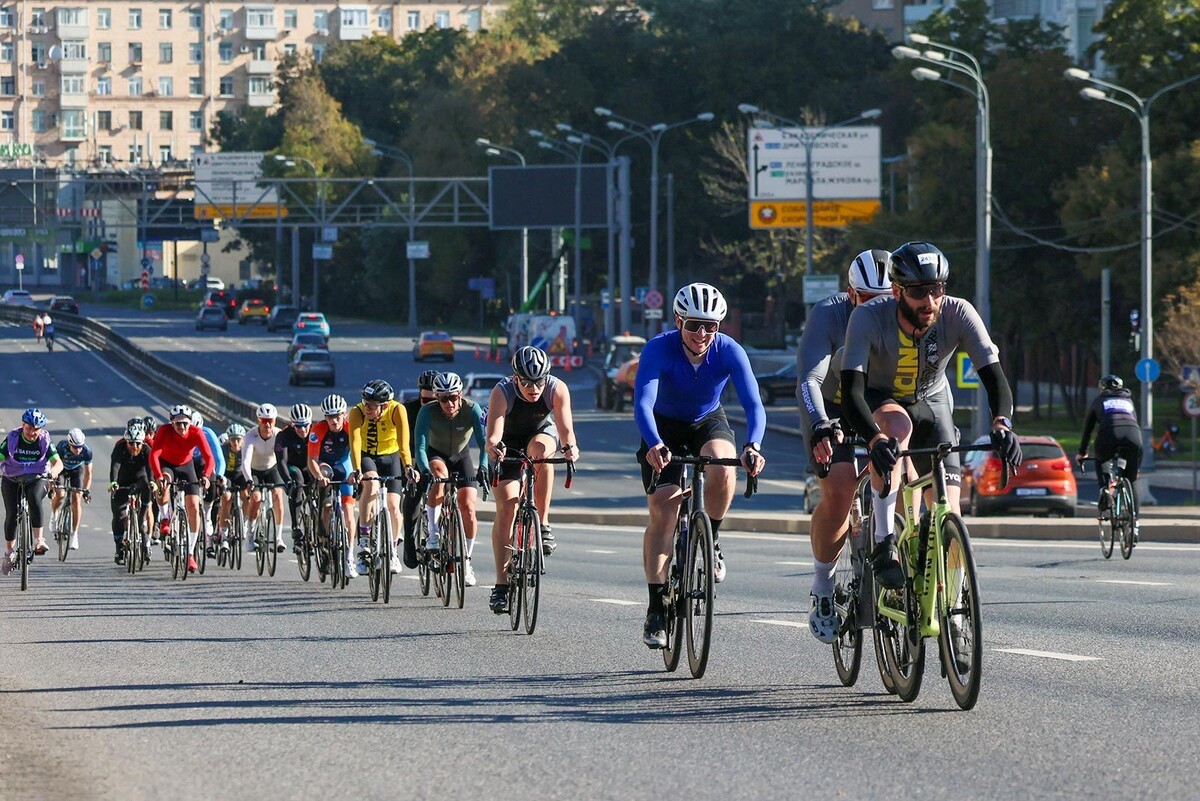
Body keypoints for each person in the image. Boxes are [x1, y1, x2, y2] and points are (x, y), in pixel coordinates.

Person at [839, 242, 1022, 591]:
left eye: (937, 289)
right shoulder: (868, 316)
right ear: (896, 291)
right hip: (882, 397)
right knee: (896, 428)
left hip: (932, 399)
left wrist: (1002, 423)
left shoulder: (959, 313)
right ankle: (884, 541)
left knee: (950, 512)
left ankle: (953, 612)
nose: (930, 301)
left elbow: (994, 378)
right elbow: (851, 392)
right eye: (919, 292)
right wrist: (874, 438)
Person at [633, 283, 767, 649]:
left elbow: (754, 405)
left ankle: (714, 536)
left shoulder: (729, 351)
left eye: (711, 326)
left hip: (707, 420)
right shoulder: (658, 348)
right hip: (662, 427)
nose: (703, 334)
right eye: (694, 325)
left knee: (724, 467)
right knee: (664, 511)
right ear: (678, 321)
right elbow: (643, 404)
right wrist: (655, 443)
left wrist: (753, 445)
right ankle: (656, 607)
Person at [796, 249, 893, 643]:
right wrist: (820, 425)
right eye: (869, 301)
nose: (880, 308)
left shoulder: (906, 318)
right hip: (833, 406)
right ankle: (823, 583)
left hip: (882, 400)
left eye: (888, 299)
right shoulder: (828, 314)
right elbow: (809, 380)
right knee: (837, 489)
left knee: (905, 475)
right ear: (851, 295)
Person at [485, 347, 579, 614]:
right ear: (515, 378)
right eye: (526, 382)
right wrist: (494, 448)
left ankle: (543, 521)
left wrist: (571, 447)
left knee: (541, 453)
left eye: (539, 381)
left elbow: (566, 430)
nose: (533, 388)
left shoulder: (557, 388)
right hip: (509, 442)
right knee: (507, 506)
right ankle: (501, 585)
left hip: (541, 434)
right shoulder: (502, 391)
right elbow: (493, 435)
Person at [413, 372, 489, 590]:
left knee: (469, 508)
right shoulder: (427, 411)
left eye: (453, 397)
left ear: (460, 394)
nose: (449, 403)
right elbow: (420, 446)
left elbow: (484, 444)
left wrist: (483, 467)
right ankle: (435, 533)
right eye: (443, 398)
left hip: (461, 455)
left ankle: (466, 561)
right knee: (438, 476)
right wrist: (425, 469)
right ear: (437, 398)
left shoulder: (472, 409)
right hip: (436, 454)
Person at [349, 380, 416, 576]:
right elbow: (354, 443)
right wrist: (357, 469)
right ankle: (363, 543)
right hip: (367, 455)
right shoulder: (357, 412)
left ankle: (393, 550)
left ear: (384, 405)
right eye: (365, 401)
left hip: (391, 455)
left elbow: (404, 444)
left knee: (394, 506)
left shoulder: (397, 410)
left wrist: (408, 467)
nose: (366, 407)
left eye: (371, 405)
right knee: (371, 486)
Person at [148, 404, 216, 574]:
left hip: (186, 466)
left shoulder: (196, 432)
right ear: (172, 423)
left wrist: (206, 477)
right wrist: (158, 476)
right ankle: (165, 518)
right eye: (178, 424)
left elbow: (209, 457)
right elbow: (154, 454)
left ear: (190, 423)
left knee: (193, 505)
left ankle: (190, 554)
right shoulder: (164, 431)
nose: (182, 427)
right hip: (167, 464)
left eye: (185, 423)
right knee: (164, 483)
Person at [1076, 374, 1143, 537]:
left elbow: (1087, 430)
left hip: (1108, 434)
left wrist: (1082, 453)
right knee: (1132, 479)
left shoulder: (1099, 401)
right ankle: (1134, 525)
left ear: (1102, 388)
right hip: (1133, 435)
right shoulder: (1129, 401)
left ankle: (1105, 489)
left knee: (1102, 459)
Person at [1, 409, 64, 573]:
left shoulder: (44, 439)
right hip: (12, 477)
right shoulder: (12, 437)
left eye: (36, 429)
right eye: (29, 428)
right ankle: (9, 553)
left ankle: (38, 540)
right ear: (23, 426)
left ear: (41, 429)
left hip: (37, 477)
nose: (32, 432)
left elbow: (58, 463)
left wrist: (53, 472)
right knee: (11, 514)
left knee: (35, 497)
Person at [307, 394, 358, 578]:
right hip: (325, 465)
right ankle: (325, 536)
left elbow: (358, 453)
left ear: (344, 414)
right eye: (330, 417)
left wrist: (356, 472)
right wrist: (319, 476)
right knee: (327, 506)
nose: (334, 421)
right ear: (325, 418)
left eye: (338, 416)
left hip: (344, 464)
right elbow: (311, 459)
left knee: (348, 509)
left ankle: (349, 556)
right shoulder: (318, 429)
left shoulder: (350, 427)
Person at [401, 371, 440, 569]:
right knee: (413, 492)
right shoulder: (409, 409)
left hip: (437, 455)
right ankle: (409, 540)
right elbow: (403, 441)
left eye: (434, 399)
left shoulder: (445, 407)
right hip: (414, 453)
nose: (430, 403)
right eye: (425, 399)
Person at [241, 403, 287, 554]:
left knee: (278, 495)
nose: (267, 424)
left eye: (270, 421)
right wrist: (249, 480)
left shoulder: (278, 435)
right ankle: (250, 534)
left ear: (275, 421)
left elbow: (282, 459)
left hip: (271, 468)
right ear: (258, 421)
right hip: (254, 470)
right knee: (255, 497)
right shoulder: (250, 436)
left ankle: (278, 537)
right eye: (263, 421)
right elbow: (246, 462)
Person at [109, 421, 153, 565]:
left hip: (140, 477)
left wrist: (153, 482)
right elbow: (115, 465)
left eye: (138, 444)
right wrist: (113, 482)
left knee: (147, 486)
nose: (134, 447)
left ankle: (144, 537)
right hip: (123, 479)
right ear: (126, 441)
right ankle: (119, 547)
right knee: (118, 514)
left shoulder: (146, 449)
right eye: (131, 443)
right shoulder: (120, 447)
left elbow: (150, 468)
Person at [275, 404, 314, 553]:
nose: (303, 430)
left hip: (310, 466)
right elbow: (281, 462)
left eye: (305, 425)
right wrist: (287, 481)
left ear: (310, 423)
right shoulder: (284, 436)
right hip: (292, 467)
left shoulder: (315, 433)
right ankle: (296, 527)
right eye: (298, 426)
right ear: (292, 424)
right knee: (297, 482)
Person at [49, 427, 93, 551]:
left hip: (76, 471)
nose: (78, 450)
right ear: (69, 444)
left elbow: (88, 474)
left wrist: (86, 490)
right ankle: (54, 514)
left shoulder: (87, 451)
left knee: (76, 500)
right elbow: (53, 468)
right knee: (60, 494)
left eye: (80, 447)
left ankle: (75, 534)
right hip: (61, 469)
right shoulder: (61, 447)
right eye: (75, 447)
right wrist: (52, 487)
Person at [189, 411, 226, 555]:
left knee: (210, 498)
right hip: (188, 465)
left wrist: (220, 476)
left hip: (204, 466)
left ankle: (208, 519)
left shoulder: (208, 433)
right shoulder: (180, 433)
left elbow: (219, 459)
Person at [216, 423, 249, 552]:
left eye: (239, 439)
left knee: (246, 495)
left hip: (241, 475)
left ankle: (245, 523)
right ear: (228, 439)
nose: (235, 443)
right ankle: (224, 535)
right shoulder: (223, 449)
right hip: (227, 476)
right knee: (226, 498)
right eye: (233, 439)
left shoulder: (247, 448)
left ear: (243, 440)